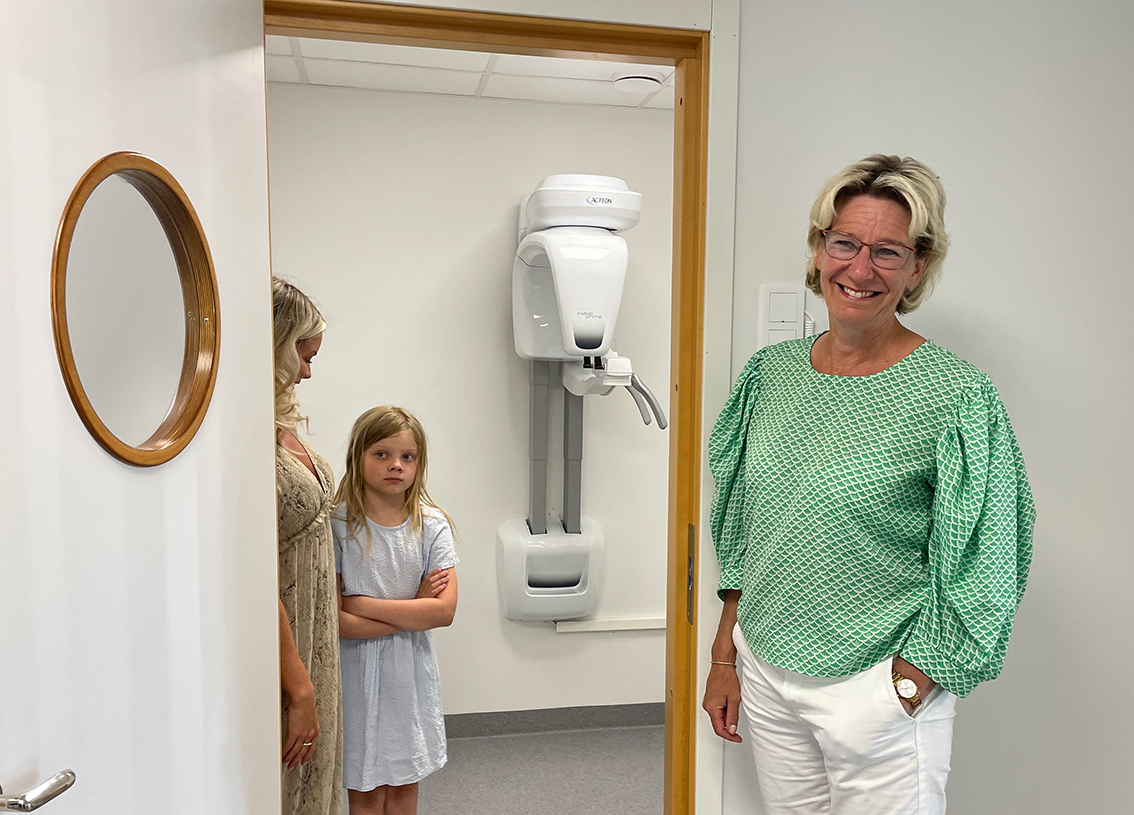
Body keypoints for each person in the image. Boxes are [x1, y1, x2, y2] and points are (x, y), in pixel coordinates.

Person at [702, 155, 1035, 815]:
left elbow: (989, 554)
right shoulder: (770, 374)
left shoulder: (956, 394)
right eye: (845, 243)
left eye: (887, 251)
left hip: (876, 687)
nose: (859, 269)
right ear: (818, 248)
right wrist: (724, 654)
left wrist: (909, 685)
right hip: (766, 669)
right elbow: (744, 525)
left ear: (919, 265)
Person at [331, 405, 459, 815]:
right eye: (382, 454)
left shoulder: (432, 525)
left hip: (410, 674)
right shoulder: (338, 524)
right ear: (358, 456)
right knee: (366, 792)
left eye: (407, 456)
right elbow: (338, 621)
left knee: (404, 787)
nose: (396, 465)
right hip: (355, 675)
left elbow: (443, 613)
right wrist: (412, 609)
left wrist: (364, 604)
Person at [273, 277, 343, 815]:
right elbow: (252, 576)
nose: (307, 372)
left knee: (316, 775)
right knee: (283, 776)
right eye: (304, 355)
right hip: (284, 639)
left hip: (316, 630)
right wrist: (297, 686)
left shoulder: (282, 424)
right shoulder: (243, 437)